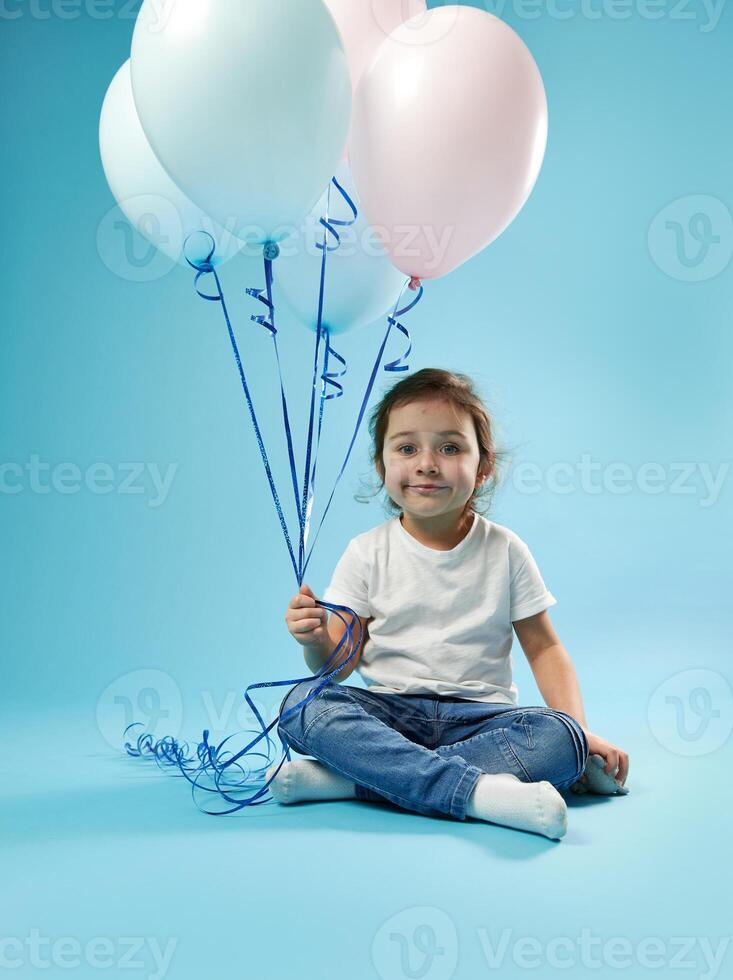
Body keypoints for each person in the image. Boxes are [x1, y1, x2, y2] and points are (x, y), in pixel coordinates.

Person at [267, 368, 629, 840]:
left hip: (482, 720)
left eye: (450, 447)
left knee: (558, 742)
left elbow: (544, 649)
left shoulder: (505, 550)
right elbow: (339, 665)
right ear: (382, 466)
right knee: (302, 704)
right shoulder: (366, 552)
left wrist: (580, 733)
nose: (426, 463)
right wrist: (317, 639)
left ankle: (355, 780)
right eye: (406, 448)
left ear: (483, 467)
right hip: (390, 714)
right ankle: (484, 795)